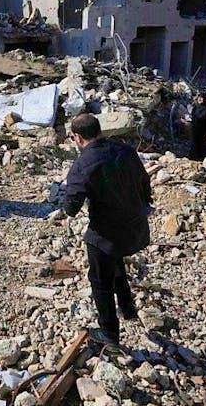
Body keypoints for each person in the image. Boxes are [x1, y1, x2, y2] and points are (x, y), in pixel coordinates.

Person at [60, 113, 152, 352]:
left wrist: (66, 194)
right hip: (136, 228)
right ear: (99, 130)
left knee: (99, 280)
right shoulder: (126, 150)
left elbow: (71, 208)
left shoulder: (82, 165)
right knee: (115, 259)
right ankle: (127, 307)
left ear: (77, 137)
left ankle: (109, 335)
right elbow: (145, 184)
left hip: (107, 234)